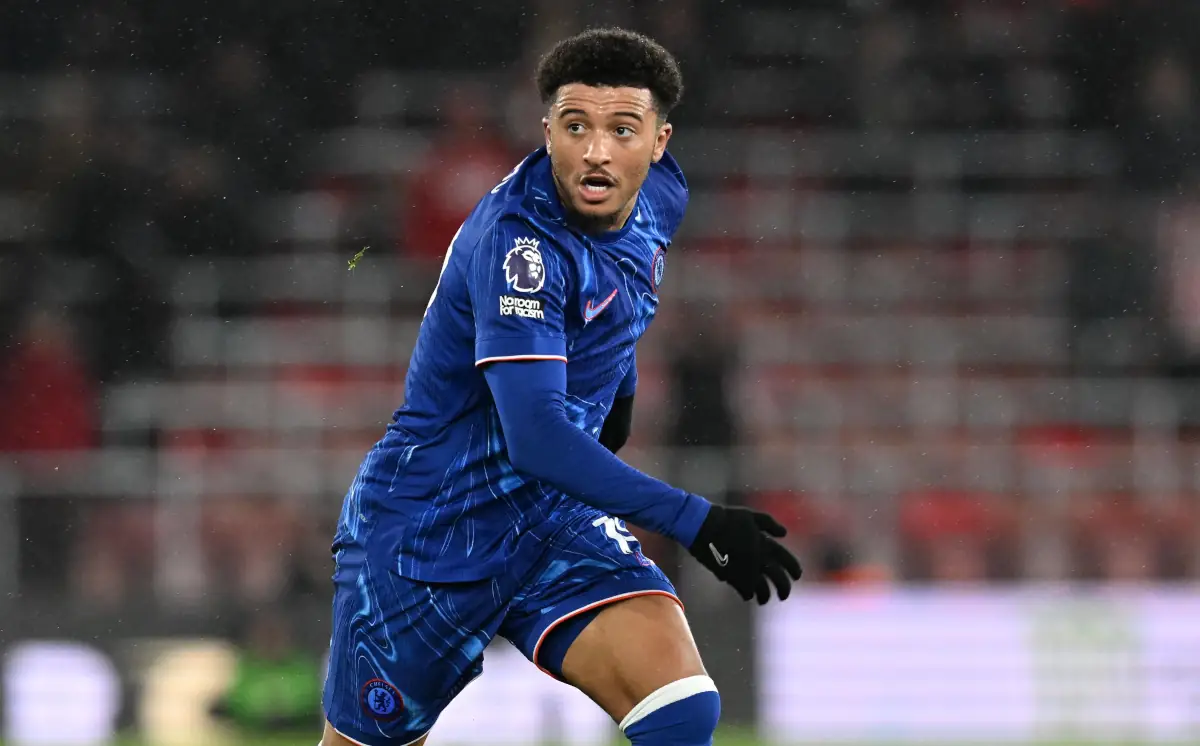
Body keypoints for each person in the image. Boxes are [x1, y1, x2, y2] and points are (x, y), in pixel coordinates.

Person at [321, 28, 802, 746]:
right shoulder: (520, 246)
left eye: (622, 130)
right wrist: (696, 522)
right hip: (433, 532)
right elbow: (539, 440)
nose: (596, 151)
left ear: (660, 142)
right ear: (547, 132)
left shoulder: (662, 197)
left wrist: (619, 389)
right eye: (576, 127)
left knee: (681, 707)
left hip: (551, 518)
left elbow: (618, 296)